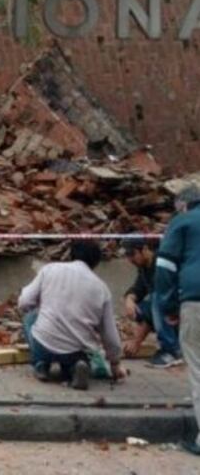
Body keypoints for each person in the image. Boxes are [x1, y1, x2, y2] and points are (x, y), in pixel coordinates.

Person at [18, 240, 125, 390]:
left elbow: (24, 302)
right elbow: (109, 333)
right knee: (77, 355)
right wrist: (115, 363)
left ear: (71, 254)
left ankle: (41, 364)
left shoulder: (50, 270)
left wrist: (41, 306)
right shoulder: (102, 289)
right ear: (95, 263)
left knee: (30, 318)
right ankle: (75, 368)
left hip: (44, 342)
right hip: (75, 349)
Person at [155, 186, 200, 457]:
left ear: (183, 205)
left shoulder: (182, 222)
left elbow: (165, 267)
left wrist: (169, 306)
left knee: (198, 367)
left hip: (195, 300)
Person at [121, 238, 183, 368]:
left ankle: (171, 350)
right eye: (127, 255)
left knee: (156, 299)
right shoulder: (144, 267)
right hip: (170, 311)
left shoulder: (161, 265)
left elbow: (160, 301)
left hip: (179, 309)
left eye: (132, 254)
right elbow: (138, 289)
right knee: (138, 309)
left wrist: (137, 341)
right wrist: (129, 299)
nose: (130, 260)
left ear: (144, 249)